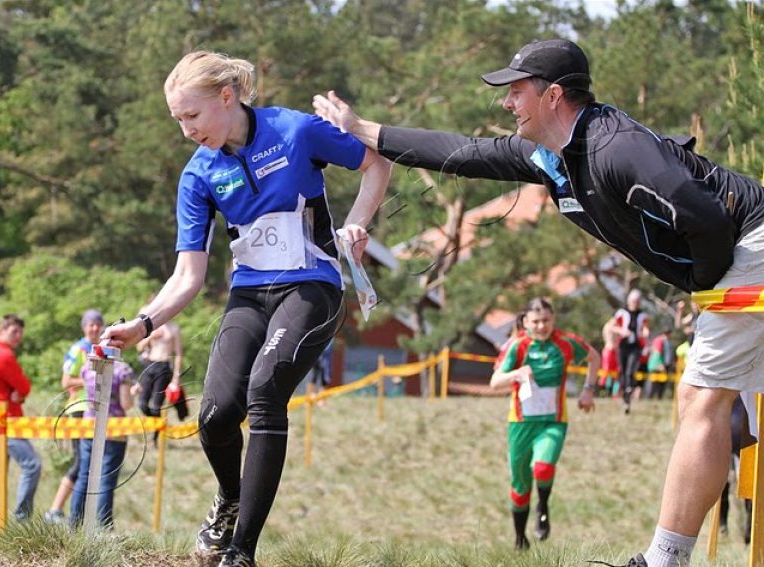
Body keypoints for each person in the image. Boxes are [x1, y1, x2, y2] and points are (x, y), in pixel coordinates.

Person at [313, 37, 764, 567]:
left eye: (516, 91)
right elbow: (462, 152)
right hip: (737, 263)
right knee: (733, 411)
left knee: (700, 400)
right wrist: (362, 129)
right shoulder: (552, 156)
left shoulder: (617, 149)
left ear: (553, 96)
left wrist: (708, 289)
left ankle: (665, 560)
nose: (507, 103)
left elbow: (705, 218)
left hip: (751, 247)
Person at [100, 51, 391, 567]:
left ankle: (241, 552)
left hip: (311, 289)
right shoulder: (199, 175)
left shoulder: (294, 131)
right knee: (213, 416)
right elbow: (187, 276)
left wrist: (357, 223)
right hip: (250, 295)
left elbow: (375, 165)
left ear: (227, 97)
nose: (186, 130)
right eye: (178, 120)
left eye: (192, 116)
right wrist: (142, 324)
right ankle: (229, 500)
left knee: (263, 391)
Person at [490, 297, 598, 550]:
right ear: (526, 322)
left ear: (554, 320)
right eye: (536, 321)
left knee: (543, 467)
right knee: (520, 484)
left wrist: (588, 391)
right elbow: (495, 382)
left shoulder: (565, 343)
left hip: (553, 422)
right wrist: (517, 374)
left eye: (546, 320)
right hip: (521, 424)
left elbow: (595, 357)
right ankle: (519, 538)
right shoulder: (517, 346)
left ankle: (543, 506)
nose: (541, 326)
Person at [0, 314, 42, 521]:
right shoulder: (4, 355)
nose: (18, 336)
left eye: (20, 332)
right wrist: (19, 394)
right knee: (32, 465)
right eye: (14, 331)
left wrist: (18, 395)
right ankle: (22, 519)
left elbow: (19, 390)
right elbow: (24, 386)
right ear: (2, 330)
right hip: (6, 423)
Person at [44, 309, 104, 525]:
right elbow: (66, 381)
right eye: (91, 324)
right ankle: (56, 510)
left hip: (96, 410)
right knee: (81, 462)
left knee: (90, 463)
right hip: (78, 408)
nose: (95, 328)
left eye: (98, 324)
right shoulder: (78, 349)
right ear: (84, 327)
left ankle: (78, 515)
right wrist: (92, 380)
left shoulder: (103, 349)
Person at [68, 357, 134, 528]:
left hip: (89, 425)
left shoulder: (87, 366)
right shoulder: (123, 370)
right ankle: (103, 526)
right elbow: (126, 403)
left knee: (84, 476)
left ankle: (74, 524)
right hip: (114, 429)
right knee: (106, 479)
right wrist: (135, 392)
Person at [136, 318, 183, 427]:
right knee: (142, 403)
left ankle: (157, 437)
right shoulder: (153, 327)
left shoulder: (174, 329)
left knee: (157, 406)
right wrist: (152, 336)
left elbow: (178, 355)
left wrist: (176, 377)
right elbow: (139, 347)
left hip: (164, 366)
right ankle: (156, 425)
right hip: (150, 364)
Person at [609, 289, 650, 413]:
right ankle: (624, 395)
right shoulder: (621, 313)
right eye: (633, 301)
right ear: (629, 301)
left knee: (630, 370)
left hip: (636, 346)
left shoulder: (643, 315)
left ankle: (628, 392)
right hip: (623, 345)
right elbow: (611, 326)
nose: (635, 304)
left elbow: (646, 329)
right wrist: (621, 331)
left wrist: (646, 333)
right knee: (622, 370)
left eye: (637, 302)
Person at [646, 328, 673, 400]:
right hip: (656, 365)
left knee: (661, 383)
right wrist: (660, 364)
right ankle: (649, 398)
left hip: (662, 364)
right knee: (653, 383)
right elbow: (657, 353)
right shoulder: (659, 340)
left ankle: (658, 398)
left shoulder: (666, 341)